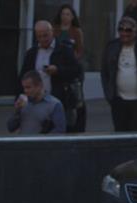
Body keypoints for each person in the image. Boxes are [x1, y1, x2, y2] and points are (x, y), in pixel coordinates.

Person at [18, 20, 79, 127]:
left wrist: (58, 70)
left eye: (45, 35)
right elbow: (23, 76)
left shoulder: (64, 50)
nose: (43, 39)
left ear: (52, 32)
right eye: (39, 36)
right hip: (36, 103)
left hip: (58, 101)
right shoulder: (32, 53)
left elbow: (76, 71)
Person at [52, 4, 86, 132]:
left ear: (72, 17)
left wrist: (71, 62)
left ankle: (75, 124)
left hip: (72, 67)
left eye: (68, 14)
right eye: (63, 14)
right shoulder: (54, 29)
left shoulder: (76, 31)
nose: (65, 17)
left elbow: (80, 50)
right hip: (57, 67)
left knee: (74, 96)